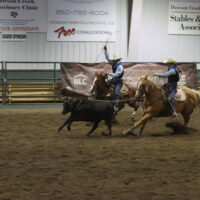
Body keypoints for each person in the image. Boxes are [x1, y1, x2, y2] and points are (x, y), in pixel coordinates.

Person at [103, 45, 124, 113]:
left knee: (116, 93)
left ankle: (115, 106)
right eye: (113, 60)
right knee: (106, 82)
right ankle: (109, 92)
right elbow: (108, 59)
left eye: (114, 60)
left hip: (119, 81)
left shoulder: (120, 66)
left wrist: (109, 74)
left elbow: (116, 75)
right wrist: (105, 50)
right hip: (115, 80)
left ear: (117, 60)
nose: (113, 61)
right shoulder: (114, 63)